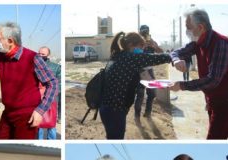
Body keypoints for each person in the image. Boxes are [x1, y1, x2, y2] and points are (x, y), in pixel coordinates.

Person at [0, 22, 58, 139]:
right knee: (2, 147)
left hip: (27, 115)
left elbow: (52, 83)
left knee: (24, 148)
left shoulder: (33, 58)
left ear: (10, 41)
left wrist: (40, 111)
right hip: (8, 113)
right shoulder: (1, 57)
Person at [97, 32, 172, 139]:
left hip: (106, 108)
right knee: (116, 138)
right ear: (131, 45)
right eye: (141, 46)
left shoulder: (118, 56)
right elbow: (156, 58)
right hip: (115, 110)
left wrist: (161, 84)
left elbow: (146, 79)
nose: (142, 50)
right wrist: (173, 56)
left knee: (112, 137)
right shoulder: (131, 58)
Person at [170, 8, 228, 139]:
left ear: (200, 27)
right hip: (214, 100)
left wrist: (182, 85)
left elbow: (213, 80)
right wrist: (176, 60)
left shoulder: (220, 44)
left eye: (188, 27)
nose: (187, 31)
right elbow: (176, 52)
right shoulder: (198, 42)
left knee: (215, 139)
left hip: (224, 102)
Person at [133, 25, 163, 119]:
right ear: (139, 32)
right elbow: (134, 55)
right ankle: (137, 115)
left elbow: (161, 53)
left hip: (149, 71)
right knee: (140, 94)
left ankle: (148, 113)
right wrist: (143, 46)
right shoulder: (136, 43)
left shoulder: (152, 41)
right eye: (143, 32)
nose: (144, 34)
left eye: (146, 32)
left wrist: (155, 46)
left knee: (152, 94)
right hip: (139, 71)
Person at [37, 46, 61, 140]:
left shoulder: (57, 67)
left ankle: (52, 141)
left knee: (51, 123)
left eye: (43, 54)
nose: (40, 55)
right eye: (39, 53)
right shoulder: (34, 66)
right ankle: (39, 140)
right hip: (38, 98)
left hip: (52, 99)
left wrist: (50, 93)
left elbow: (60, 84)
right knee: (39, 123)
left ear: (48, 55)